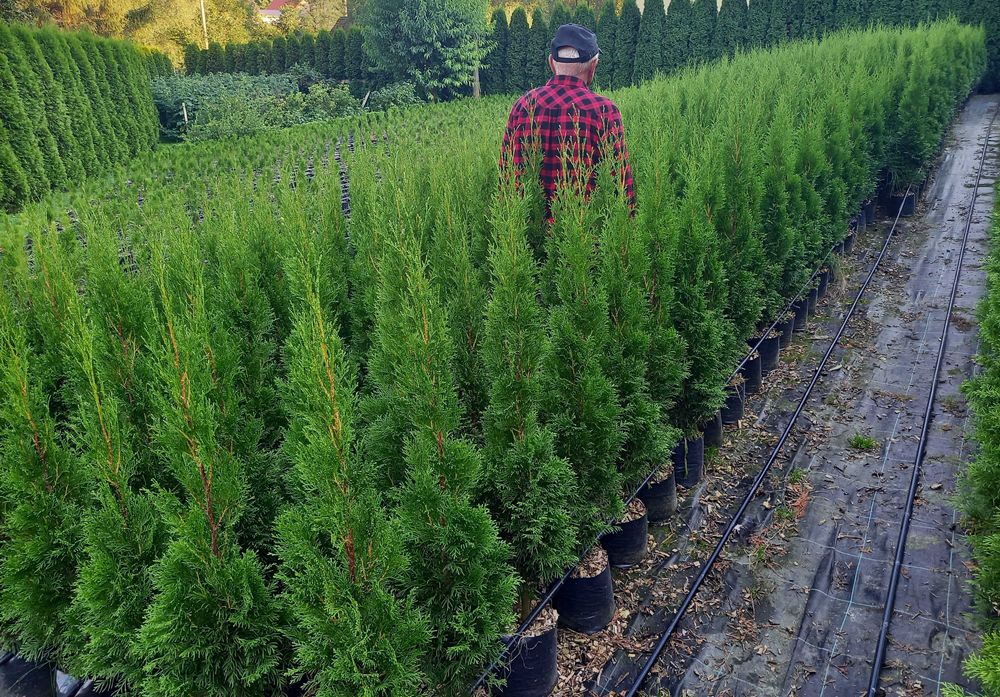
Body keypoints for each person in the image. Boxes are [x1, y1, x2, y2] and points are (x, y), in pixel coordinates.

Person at [500, 23, 636, 214]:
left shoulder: (522, 106)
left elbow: (506, 175)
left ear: (551, 62)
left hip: (525, 229)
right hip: (583, 228)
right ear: (593, 66)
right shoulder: (605, 111)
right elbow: (620, 184)